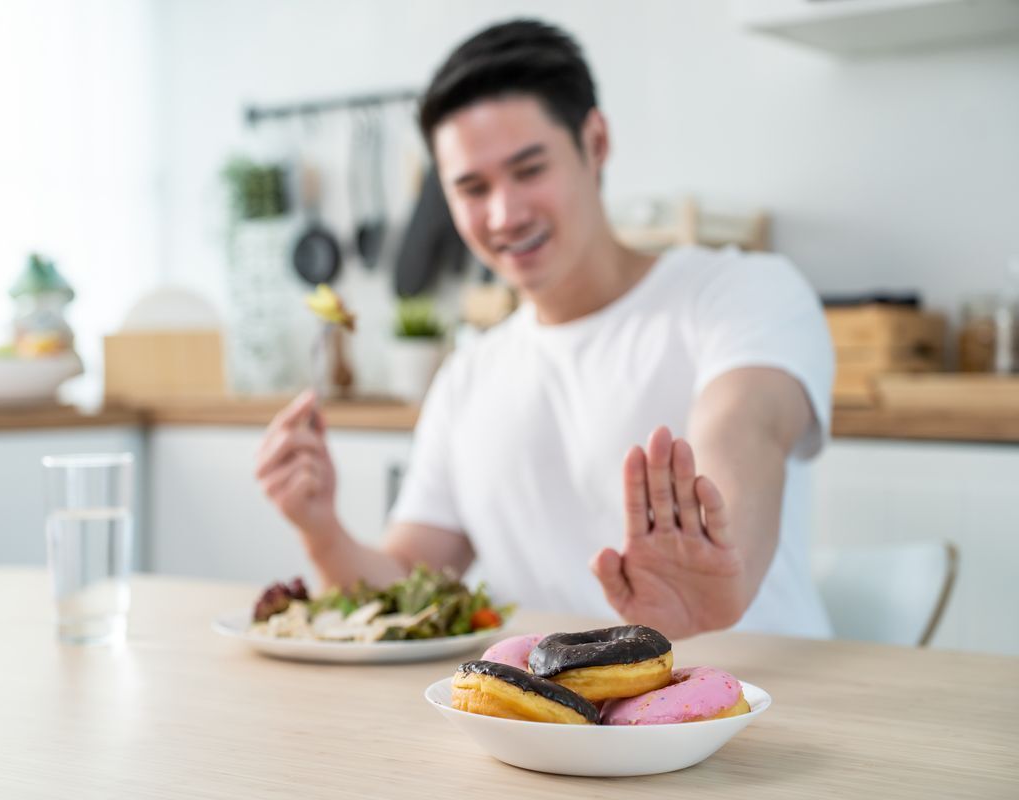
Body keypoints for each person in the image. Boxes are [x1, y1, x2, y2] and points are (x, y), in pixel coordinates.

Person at [255, 19, 834, 639]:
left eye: (529, 170)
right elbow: (401, 590)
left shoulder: (742, 293)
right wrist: (320, 530)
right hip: (553, 701)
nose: (504, 214)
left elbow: (743, 428)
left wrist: (721, 570)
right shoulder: (468, 376)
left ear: (596, 142)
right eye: (472, 188)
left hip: (763, 689)